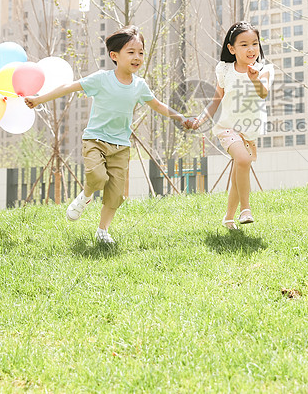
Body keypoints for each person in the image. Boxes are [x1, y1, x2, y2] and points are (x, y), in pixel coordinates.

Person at [25, 26, 191, 245]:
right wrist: (39, 100)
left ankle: (102, 231)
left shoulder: (140, 86)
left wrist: (180, 117)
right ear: (115, 55)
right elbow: (69, 87)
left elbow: (157, 105)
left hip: (121, 146)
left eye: (141, 52)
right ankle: (85, 197)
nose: (137, 57)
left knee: (115, 194)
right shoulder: (102, 79)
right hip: (95, 139)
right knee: (98, 177)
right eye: (131, 52)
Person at [188, 21, 274, 230]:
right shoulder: (224, 70)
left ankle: (228, 218)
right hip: (227, 127)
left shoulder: (264, 69)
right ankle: (246, 209)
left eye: (255, 43)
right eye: (244, 45)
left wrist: (254, 79)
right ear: (232, 49)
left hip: (249, 129)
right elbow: (216, 99)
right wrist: (200, 119)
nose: (251, 49)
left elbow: (263, 93)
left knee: (239, 171)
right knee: (243, 160)